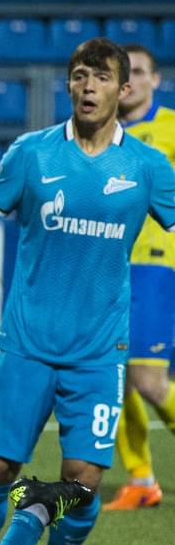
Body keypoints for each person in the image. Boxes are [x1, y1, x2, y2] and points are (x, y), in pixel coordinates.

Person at [0, 38, 175, 545]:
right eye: (79, 75)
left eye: (102, 77)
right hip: (28, 345)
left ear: (124, 89)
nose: (89, 86)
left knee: (84, 482)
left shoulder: (148, 167)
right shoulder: (32, 153)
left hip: (98, 351)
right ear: (68, 85)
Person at [103, 45, 175, 510]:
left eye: (140, 72)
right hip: (108, 265)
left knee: (148, 380)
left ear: (155, 80)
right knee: (116, 378)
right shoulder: (101, 136)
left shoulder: (170, 126)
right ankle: (141, 479)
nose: (132, 81)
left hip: (157, 262)